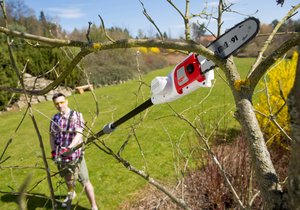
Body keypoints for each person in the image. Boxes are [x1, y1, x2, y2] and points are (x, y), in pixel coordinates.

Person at [49, 92, 98, 210]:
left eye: (62, 102)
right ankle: (71, 194)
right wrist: (53, 151)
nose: (60, 105)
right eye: (57, 104)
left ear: (66, 101)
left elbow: (79, 134)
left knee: (85, 182)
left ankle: (94, 206)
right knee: (68, 180)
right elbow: (51, 136)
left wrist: (70, 147)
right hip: (61, 157)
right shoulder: (55, 118)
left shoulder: (76, 115)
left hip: (75, 157)